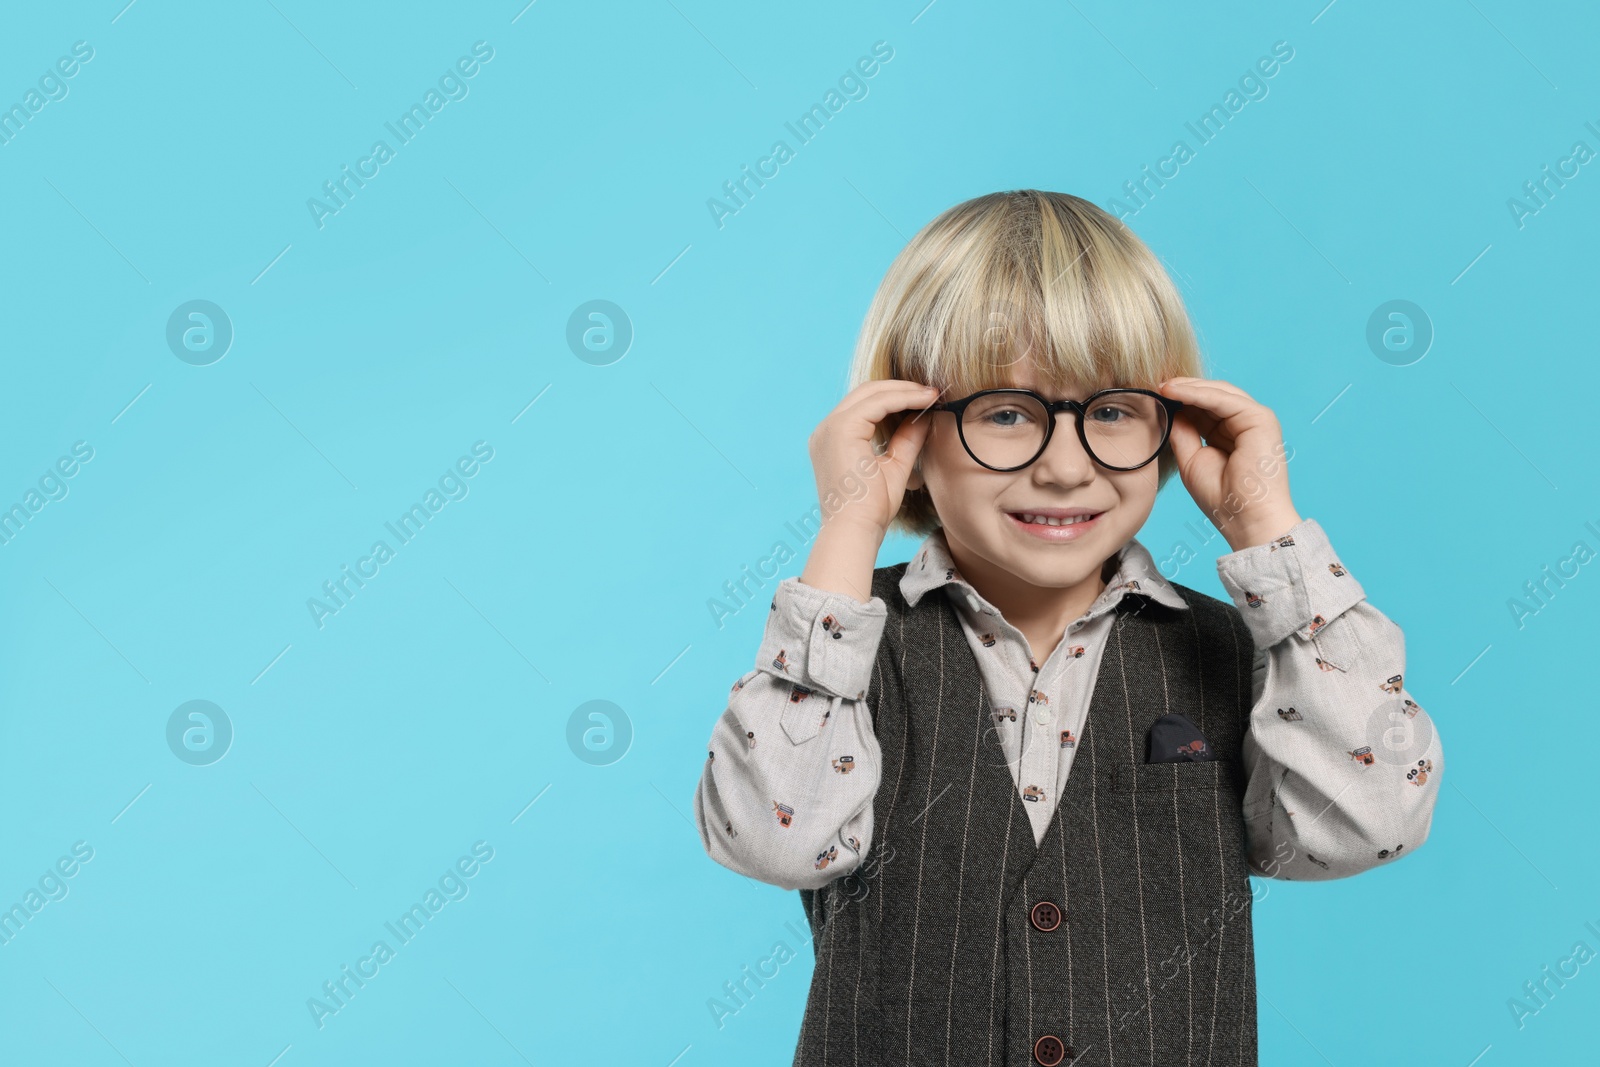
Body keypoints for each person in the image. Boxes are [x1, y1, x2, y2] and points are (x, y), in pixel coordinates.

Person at [692, 189, 1441, 1066]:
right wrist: (848, 529)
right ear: (906, 432)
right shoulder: (847, 648)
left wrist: (1267, 530)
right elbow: (774, 839)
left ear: (1170, 428)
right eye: (1006, 413)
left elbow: (1371, 820)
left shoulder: (1245, 650)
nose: (1063, 464)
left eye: (1113, 411)